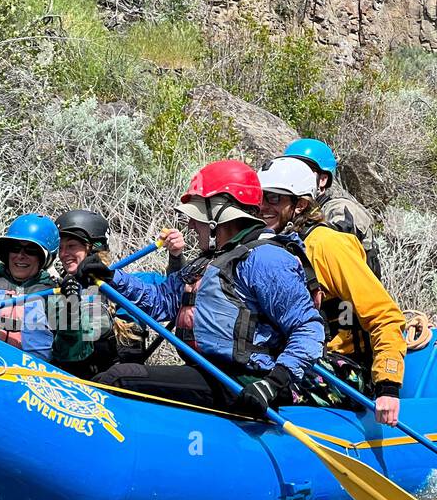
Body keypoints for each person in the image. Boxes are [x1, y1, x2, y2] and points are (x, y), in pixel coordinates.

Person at [73, 160, 326, 415]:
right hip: (208, 374)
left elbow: (308, 328)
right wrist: (110, 277)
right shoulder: (211, 260)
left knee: (119, 378)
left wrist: (274, 382)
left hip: (246, 383)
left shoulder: (266, 259)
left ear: (219, 216)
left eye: (198, 217)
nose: (192, 225)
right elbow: (162, 300)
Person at [258, 156, 407, 426]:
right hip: (290, 356)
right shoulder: (266, 245)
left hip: (341, 367)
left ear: (300, 204)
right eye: (260, 198)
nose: (263, 207)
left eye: (274, 199)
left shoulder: (327, 245)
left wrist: (388, 387)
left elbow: (385, 316)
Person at [51, 210, 187, 379]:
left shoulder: (138, 283)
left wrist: (176, 257)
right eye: (61, 248)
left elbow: (178, 299)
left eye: (71, 246)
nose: (63, 254)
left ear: (94, 248)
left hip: (125, 394)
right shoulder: (55, 293)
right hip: (76, 390)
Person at [0, 214, 60, 361]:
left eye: (31, 250)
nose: (21, 256)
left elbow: (70, 354)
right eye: (15, 248)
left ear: (44, 259)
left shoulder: (55, 296)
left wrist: (74, 312)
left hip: (30, 376)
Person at [283, 138, 383, 278]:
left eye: (304, 171)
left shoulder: (341, 208)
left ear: (323, 179)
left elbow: (337, 240)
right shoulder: (287, 211)